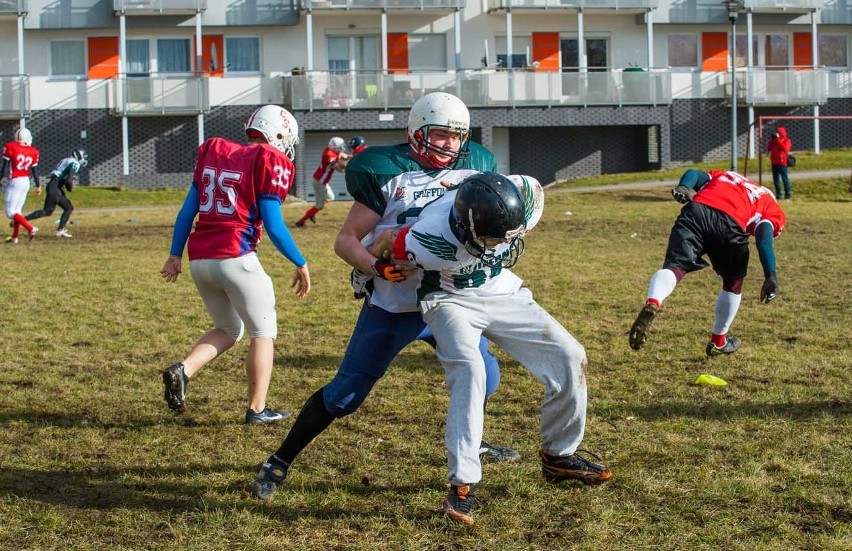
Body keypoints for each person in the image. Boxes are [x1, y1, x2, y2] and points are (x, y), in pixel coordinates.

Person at [250, 92, 516, 502]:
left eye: (456, 136)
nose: (449, 144)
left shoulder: (474, 166)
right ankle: (280, 459)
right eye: (440, 134)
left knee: (485, 377)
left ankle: (471, 446)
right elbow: (346, 241)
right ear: (416, 132)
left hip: (450, 300)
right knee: (345, 395)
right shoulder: (387, 172)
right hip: (397, 303)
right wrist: (374, 267)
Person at [362, 172, 612, 524]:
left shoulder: (520, 194)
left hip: (500, 291)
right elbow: (387, 240)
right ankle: (462, 484)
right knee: (470, 369)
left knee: (570, 354)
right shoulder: (430, 239)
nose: (502, 244)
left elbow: (523, 191)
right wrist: (368, 269)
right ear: (467, 229)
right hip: (449, 298)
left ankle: (559, 456)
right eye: (494, 238)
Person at [160, 104, 311, 425]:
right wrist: (300, 261)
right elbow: (273, 223)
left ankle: (183, 370)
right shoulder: (269, 159)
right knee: (263, 332)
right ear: (281, 135)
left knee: (229, 329)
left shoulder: (216, 151)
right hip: (236, 256)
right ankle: (257, 409)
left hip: (200, 260)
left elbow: (187, 212)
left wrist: (175, 254)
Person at [629, 168, 786, 356]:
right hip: (731, 226)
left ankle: (653, 301)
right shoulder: (771, 205)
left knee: (674, 266)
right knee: (733, 283)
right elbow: (764, 240)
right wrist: (771, 275)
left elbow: (693, 173)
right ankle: (718, 341)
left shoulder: (728, 175)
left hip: (697, 211)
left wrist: (684, 187)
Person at [25, 148, 87, 238]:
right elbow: (68, 181)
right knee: (47, 211)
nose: (83, 159)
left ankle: (60, 230)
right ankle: (22, 220)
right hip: (55, 187)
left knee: (68, 207)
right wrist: (70, 188)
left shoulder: (65, 160)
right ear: (78, 156)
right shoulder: (75, 163)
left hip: (54, 186)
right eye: (83, 157)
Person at [294, 137, 349, 227]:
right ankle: (301, 221)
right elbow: (340, 169)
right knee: (319, 206)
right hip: (319, 182)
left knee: (330, 197)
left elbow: (343, 155)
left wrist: (353, 156)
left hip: (321, 181)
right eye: (340, 146)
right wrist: (352, 166)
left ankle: (312, 213)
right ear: (334, 147)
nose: (342, 148)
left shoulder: (332, 151)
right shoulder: (329, 155)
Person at [1, 128, 41, 243]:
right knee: (17, 211)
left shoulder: (10, 147)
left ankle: (30, 228)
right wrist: (38, 185)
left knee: (10, 213)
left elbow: (4, 167)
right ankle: (15, 237)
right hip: (26, 181)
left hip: (15, 181)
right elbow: (34, 171)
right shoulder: (33, 151)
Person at [768, 127, 793, 200]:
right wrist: (773, 140)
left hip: (782, 162)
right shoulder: (775, 141)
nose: (777, 134)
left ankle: (787, 195)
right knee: (776, 179)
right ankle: (778, 195)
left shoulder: (786, 141)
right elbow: (769, 148)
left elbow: (785, 149)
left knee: (784, 179)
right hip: (774, 162)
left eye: (778, 132)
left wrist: (778, 140)